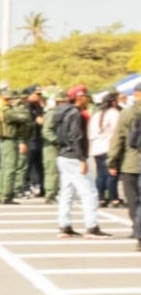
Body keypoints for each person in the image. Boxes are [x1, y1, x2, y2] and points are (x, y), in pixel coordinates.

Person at [53, 87, 102, 237]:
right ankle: (91, 226)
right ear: (79, 98)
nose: (88, 99)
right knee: (89, 192)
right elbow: (76, 137)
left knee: (66, 191)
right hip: (74, 156)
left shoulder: (61, 112)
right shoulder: (76, 114)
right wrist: (82, 159)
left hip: (63, 154)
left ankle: (64, 224)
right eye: (85, 96)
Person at [0, 85, 40, 203]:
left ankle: (2, 193)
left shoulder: (2, 109)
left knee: (3, 168)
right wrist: (23, 110)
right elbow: (24, 118)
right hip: (9, 140)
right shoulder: (8, 111)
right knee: (10, 168)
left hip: (4, 141)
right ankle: (7, 196)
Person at [112, 98, 141, 248]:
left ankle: (137, 231)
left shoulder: (126, 113)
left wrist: (112, 161)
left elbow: (119, 138)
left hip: (130, 163)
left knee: (133, 201)